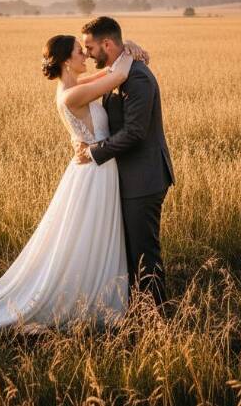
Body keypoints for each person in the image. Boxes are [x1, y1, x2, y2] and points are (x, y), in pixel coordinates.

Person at [0, 34, 149, 340]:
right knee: (88, 235)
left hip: (96, 168)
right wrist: (130, 50)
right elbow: (117, 75)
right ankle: (86, 299)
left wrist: (129, 47)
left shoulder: (73, 86)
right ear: (67, 60)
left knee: (91, 235)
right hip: (94, 171)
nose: (86, 57)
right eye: (81, 52)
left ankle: (99, 292)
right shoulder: (70, 95)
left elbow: (108, 73)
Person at [75, 16, 175, 314]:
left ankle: (156, 317)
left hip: (144, 178)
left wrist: (93, 153)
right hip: (127, 177)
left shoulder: (138, 77)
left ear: (107, 44)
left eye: (90, 47)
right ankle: (137, 310)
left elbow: (135, 132)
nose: (88, 53)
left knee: (144, 253)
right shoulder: (117, 71)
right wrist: (128, 50)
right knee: (131, 252)